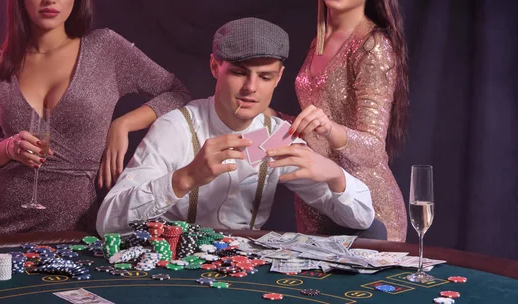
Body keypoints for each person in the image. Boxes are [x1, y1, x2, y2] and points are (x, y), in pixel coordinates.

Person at [0, 0, 190, 236]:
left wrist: (122, 125)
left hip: (76, 229)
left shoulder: (106, 49)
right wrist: (7, 149)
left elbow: (178, 93)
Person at [97, 17, 374, 234]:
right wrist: (186, 178)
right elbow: (107, 221)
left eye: (264, 77)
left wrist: (337, 176)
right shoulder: (177, 128)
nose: (251, 88)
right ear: (216, 67)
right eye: (239, 73)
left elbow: (363, 219)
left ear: (278, 78)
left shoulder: (276, 137)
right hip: (176, 273)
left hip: (245, 276)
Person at [272, 0, 409, 241]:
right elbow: (318, 125)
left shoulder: (372, 45)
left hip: (367, 209)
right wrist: (276, 118)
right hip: (317, 202)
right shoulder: (317, 41)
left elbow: (373, 151)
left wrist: (327, 127)